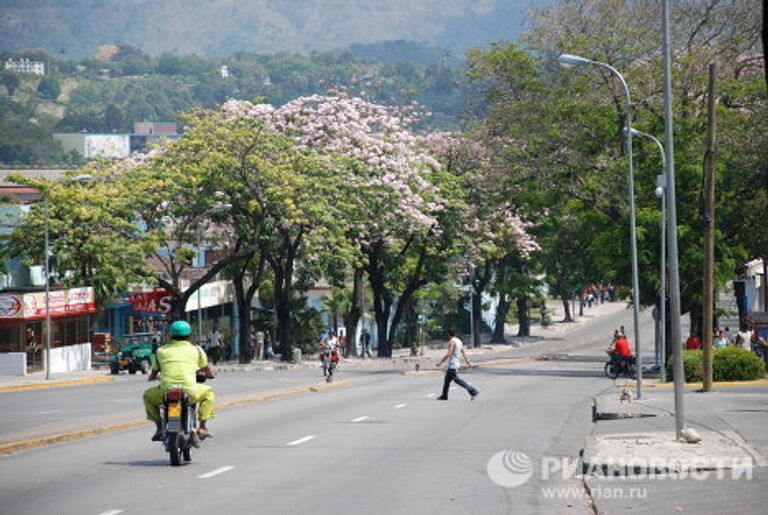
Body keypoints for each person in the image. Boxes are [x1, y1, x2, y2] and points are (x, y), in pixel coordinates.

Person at [143, 320, 215, 441]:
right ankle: (202, 427)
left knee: (147, 396)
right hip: (190, 391)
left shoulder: (161, 351)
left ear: (170, 335)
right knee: (209, 393)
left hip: (166, 391)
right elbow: (206, 369)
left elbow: (154, 372)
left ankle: (159, 428)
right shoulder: (197, 350)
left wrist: (152, 378)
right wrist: (210, 375)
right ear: (189, 335)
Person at [435, 329, 479, 401]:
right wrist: (469, 363)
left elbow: (449, 354)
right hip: (455, 364)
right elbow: (463, 353)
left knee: (457, 380)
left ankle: (473, 391)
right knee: (447, 380)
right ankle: (444, 395)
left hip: (452, 364)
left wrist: (440, 363)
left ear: (448, 334)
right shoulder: (459, 341)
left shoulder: (452, 342)